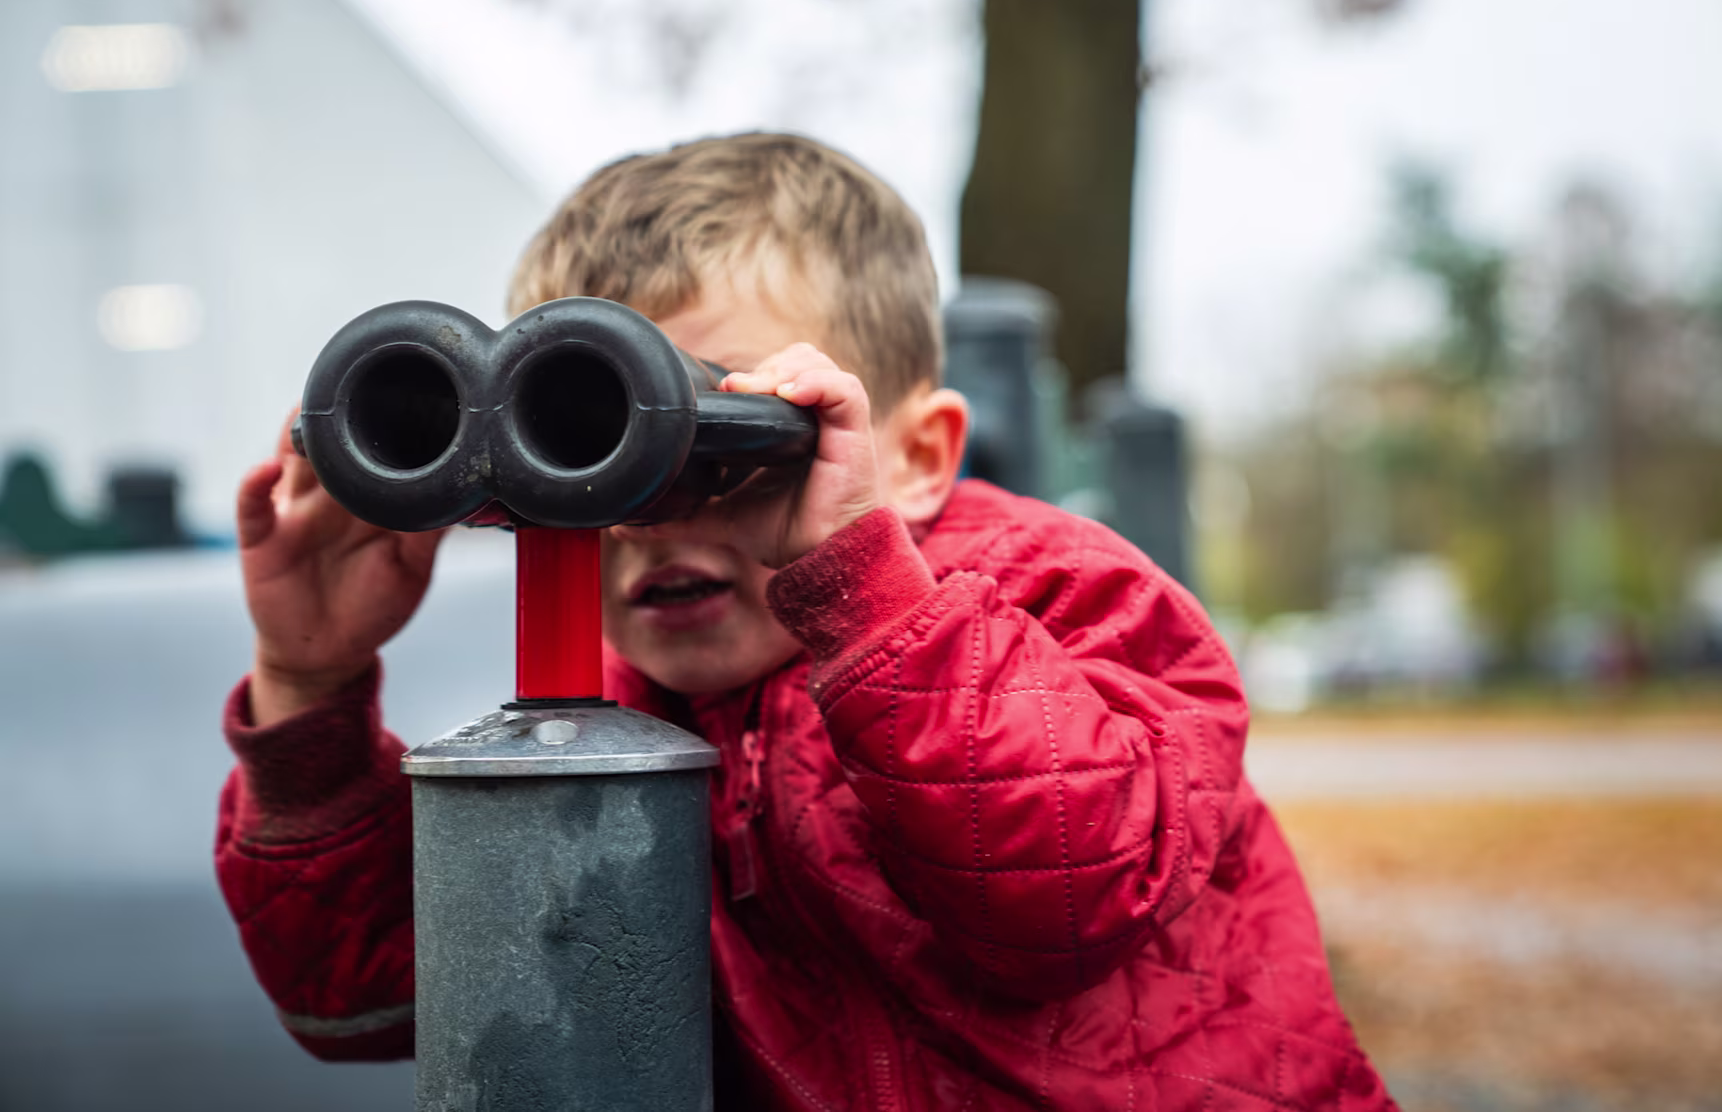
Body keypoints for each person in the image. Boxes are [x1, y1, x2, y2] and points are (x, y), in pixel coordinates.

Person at [217, 132, 1395, 1109]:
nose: (643, 518)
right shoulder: (618, 711)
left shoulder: (1069, 593)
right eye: (588, 441)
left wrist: (856, 586)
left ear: (920, 454)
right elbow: (367, 1000)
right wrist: (307, 682)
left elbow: (1063, 897)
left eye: (713, 438)